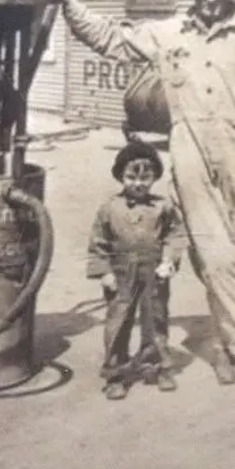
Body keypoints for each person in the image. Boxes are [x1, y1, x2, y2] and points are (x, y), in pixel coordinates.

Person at [33, 0, 235, 385]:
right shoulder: (166, 33)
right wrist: (67, 0)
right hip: (187, 143)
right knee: (209, 249)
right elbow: (110, 38)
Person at [87, 140, 185, 400]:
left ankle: (154, 365)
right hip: (120, 273)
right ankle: (116, 374)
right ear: (121, 176)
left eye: (146, 177)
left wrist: (168, 261)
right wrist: (104, 272)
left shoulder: (162, 207)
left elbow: (175, 235)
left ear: (154, 177)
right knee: (118, 321)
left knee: (156, 319)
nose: (139, 184)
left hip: (154, 271)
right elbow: (98, 243)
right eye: (132, 177)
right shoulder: (109, 209)